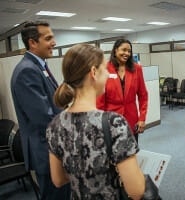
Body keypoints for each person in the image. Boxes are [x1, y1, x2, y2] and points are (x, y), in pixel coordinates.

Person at [46, 43, 145, 200]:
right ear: (94, 72)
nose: (107, 74)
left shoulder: (54, 125)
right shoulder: (114, 123)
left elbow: (58, 180)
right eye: (104, 69)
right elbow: (136, 190)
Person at [10, 21, 70, 199]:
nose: (54, 42)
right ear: (32, 42)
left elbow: (51, 103)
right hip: (46, 150)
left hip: (51, 146)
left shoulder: (39, 66)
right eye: (48, 38)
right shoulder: (27, 71)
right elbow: (44, 118)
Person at [96, 38, 148, 143]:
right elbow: (99, 99)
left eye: (129, 51)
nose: (127, 53)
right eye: (123, 50)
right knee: (114, 155)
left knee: (131, 153)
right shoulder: (104, 68)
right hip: (110, 120)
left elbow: (143, 95)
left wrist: (142, 118)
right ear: (115, 50)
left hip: (131, 119)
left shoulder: (136, 69)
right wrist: (99, 123)